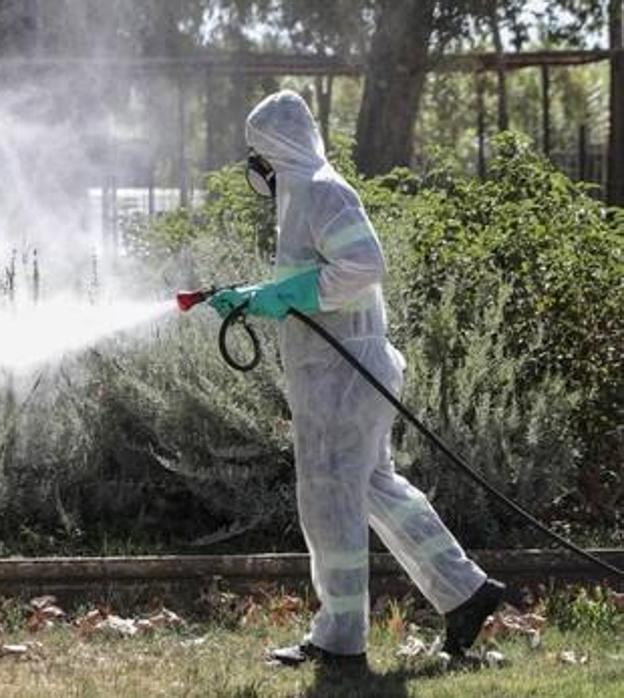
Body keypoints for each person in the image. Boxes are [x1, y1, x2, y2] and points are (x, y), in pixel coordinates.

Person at [208, 90, 504, 667]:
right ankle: (466, 591)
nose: (254, 166)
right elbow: (316, 275)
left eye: (258, 152)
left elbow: (365, 265)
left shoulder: (322, 191)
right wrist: (258, 296)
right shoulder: (302, 196)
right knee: (373, 487)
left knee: (330, 499)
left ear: (279, 147)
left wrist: (281, 295)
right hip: (339, 372)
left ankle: (340, 641)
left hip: (342, 375)